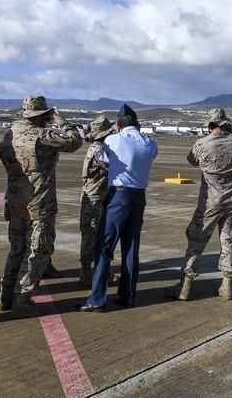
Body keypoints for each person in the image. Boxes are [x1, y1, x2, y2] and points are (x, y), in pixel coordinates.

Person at [0, 96, 82, 318]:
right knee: (38, 250)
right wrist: (60, 120)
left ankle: (5, 294)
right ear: (40, 115)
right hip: (39, 201)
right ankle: (22, 297)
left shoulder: (10, 134)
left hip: (15, 200)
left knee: (16, 248)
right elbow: (74, 141)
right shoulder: (42, 136)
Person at [166, 108, 232, 301]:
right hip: (231, 201)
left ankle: (185, 286)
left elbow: (191, 160)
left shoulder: (202, 144)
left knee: (196, 242)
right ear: (225, 124)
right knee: (228, 242)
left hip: (209, 203)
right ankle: (227, 285)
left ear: (210, 125)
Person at [78, 104, 157, 312]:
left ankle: (97, 299)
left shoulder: (112, 140)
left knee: (104, 247)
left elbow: (104, 160)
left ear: (118, 125)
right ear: (137, 124)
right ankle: (127, 295)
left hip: (118, 195)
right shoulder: (150, 142)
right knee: (131, 248)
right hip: (139, 196)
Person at [78, 114, 116, 287]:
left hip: (96, 196)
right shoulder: (98, 150)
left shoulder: (97, 147)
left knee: (94, 236)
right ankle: (87, 274)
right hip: (94, 198)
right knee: (91, 236)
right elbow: (114, 166)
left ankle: (95, 272)